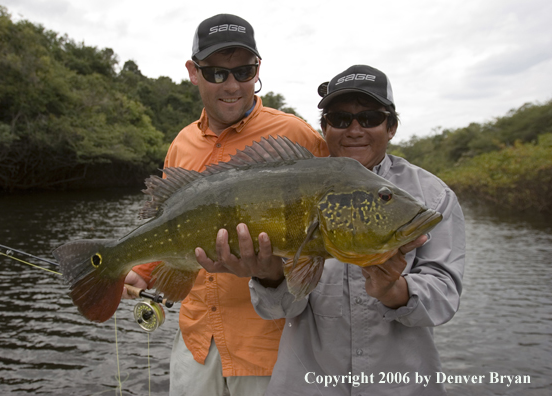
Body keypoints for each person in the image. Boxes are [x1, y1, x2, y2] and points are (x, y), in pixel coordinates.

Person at [199, 64, 466, 395]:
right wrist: (269, 276)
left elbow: (445, 297)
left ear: (392, 126)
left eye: (369, 118)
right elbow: (277, 310)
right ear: (324, 128)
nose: (355, 129)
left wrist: (395, 291)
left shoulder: (432, 197)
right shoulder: (297, 180)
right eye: (340, 119)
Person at [124, 14, 328, 396]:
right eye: (218, 73)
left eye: (244, 71)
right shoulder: (181, 143)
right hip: (197, 340)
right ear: (193, 72)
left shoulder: (296, 135)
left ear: (257, 70)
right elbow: (171, 222)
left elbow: (327, 219)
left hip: (266, 346)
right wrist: (145, 269)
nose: (232, 85)